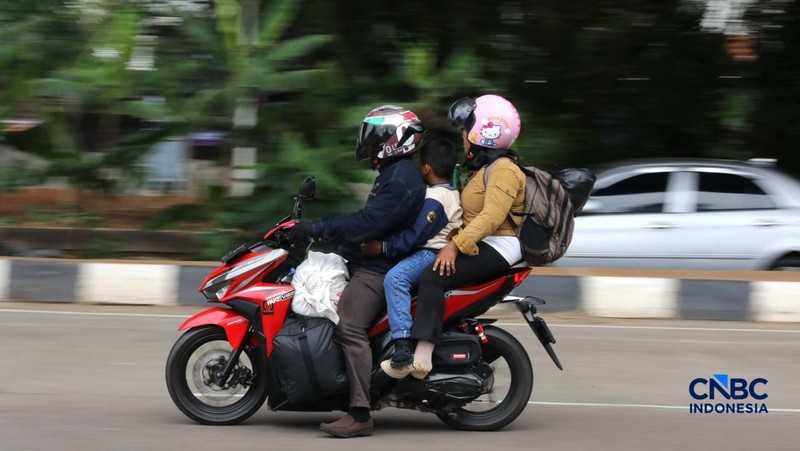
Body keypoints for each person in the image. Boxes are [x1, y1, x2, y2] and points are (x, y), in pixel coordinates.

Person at [287, 105, 426, 438]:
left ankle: (360, 413)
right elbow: (366, 222)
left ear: (397, 139)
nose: (370, 142)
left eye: (377, 136)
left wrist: (320, 228)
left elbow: (368, 223)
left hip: (378, 270)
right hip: (368, 262)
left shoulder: (401, 179)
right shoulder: (393, 174)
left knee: (349, 326)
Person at [390, 94, 526, 378]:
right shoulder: (485, 168)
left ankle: (422, 358)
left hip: (500, 244)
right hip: (486, 241)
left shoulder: (504, 169)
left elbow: (492, 216)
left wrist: (454, 246)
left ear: (484, 131)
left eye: (466, 129)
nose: (463, 136)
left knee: (433, 276)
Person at [358, 139, 462, 378]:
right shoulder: (446, 192)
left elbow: (415, 235)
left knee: (396, 279)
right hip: (428, 250)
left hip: (431, 253)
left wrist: (382, 247)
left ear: (426, 168)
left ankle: (402, 345)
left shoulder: (437, 197)